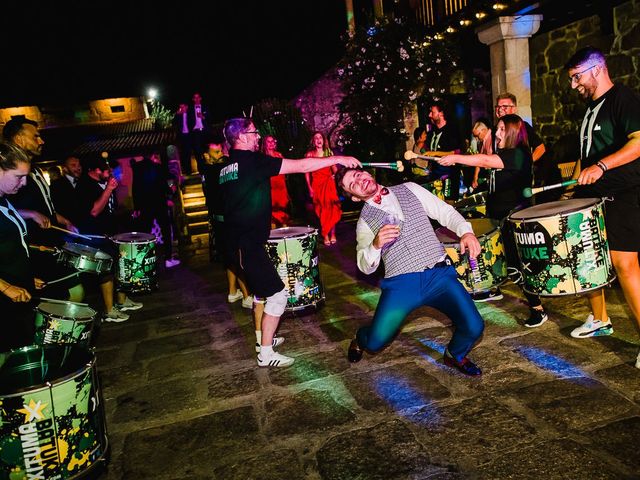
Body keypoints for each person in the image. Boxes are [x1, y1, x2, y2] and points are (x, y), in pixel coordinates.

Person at [219, 118, 361, 368]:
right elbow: (300, 165)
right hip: (247, 244)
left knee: (262, 293)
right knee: (277, 296)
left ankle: (263, 338)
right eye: (253, 133)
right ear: (241, 137)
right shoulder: (253, 161)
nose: (258, 137)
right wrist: (337, 159)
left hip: (234, 242)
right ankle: (265, 353)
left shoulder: (226, 167)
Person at [334, 167, 484, 376]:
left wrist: (466, 232)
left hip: (438, 274)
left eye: (359, 175)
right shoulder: (364, 223)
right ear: (355, 198)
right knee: (376, 342)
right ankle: (361, 337)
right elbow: (364, 266)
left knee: (474, 326)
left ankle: (455, 355)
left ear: (369, 174)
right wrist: (375, 245)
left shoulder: (410, 188)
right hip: (402, 284)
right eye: (353, 184)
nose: (359, 181)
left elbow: (445, 212)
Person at [564, 46, 640, 367]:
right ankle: (600, 319)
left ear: (597, 69)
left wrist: (603, 167)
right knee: (590, 261)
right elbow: (586, 158)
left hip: (623, 194)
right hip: (593, 197)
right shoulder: (589, 109)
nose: (574, 85)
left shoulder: (624, 99)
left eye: (577, 77)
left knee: (624, 265)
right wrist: (573, 186)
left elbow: (638, 142)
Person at [438, 114, 548, 326]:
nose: (496, 133)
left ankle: (538, 309)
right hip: (500, 216)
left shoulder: (519, 154)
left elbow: (485, 160)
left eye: (501, 129)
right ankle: (494, 288)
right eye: (496, 129)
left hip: (514, 217)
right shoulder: (505, 153)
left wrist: (456, 158)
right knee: (504, 261)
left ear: (513, 132)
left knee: (518, 266)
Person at [3, 118, 83, 302]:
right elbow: (5, 210)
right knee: (68, 295)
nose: (41, 141)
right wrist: (30, 214)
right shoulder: (8, 174)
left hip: (48, 243)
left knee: (67, 295)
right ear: (19, 139)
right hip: (31, 248)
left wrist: (64, 221)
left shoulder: (36, 171)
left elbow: (46, 207)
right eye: (36, 136)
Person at [76, 155, 143, 322]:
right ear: (94, 170)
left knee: (121, 266)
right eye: (106, 170)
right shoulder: (84, 186)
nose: (110, 172)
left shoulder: (104, 183)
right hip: (95, 236)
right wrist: (108, 190)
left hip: (110, 233)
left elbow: (111, 210)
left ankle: (121, 301)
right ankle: (109, 311)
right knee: (106, 272)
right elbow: (94, 211)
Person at [0, 142, 44, 352]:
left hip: (18, 292)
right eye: (19, 176)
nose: (25, 182)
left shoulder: (4, 200)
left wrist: (24, 277)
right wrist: (6, 287)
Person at [200, 141, 252, 308]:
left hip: (218, 219)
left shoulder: (207, 170)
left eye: (221, 150)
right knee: (237, 257)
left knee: (229, 258)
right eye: (216, 152)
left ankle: (232, 292)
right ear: (206, 156)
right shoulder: (213, 169)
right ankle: (246, 296)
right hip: (225, 220)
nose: (220, 154)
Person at [131, 151, 180, 268]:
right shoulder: (158, 167)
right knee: (166, 231)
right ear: (153, 157)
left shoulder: (137, 168)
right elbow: (165, 184)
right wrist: (170, 191)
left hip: (145, 205)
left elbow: (135, 189)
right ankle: (168, 258)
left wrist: (137, 207)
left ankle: (143, 260)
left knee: (145, 232)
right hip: (159, 203)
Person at [305, 132, 342, 246]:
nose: (318, 140)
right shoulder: (309, 155)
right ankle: (325, 235)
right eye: (316, 138)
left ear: (323, 140)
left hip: (329, 184)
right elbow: (306, 172)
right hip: (317, 185)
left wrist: (336, 176)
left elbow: (335, 168)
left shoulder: (328, 152)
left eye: (320, 137)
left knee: (332, 209)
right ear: (313, 141)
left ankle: (333, 234)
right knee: (322, 210)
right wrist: (310, 188)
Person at [424, 101, 462, 200]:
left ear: (441, 113)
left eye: (432, 112)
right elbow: (428, 149)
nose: (429, 115)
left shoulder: (452, 130)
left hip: (449, 175)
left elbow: (456, 152)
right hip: (435, 175)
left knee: (449, 204)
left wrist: (435, 153)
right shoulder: (432, 132)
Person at [261, 135, 290, 228]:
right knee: (272, 207)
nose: (271, 143)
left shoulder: (279, 155)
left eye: (273, 141)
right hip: (270, 185)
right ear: (265, 144)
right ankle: (273, 230)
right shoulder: (263, 157)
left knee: (283, 205)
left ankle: (284, 227)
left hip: (281, 185)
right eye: (268, 142)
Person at [51, 155, 83, 226]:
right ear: (65, 169)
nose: (78, 168)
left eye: (79, 165)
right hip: (68, 228)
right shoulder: (56, 185)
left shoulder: (85, 182)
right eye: (73, 165)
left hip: (86, 226)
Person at [470, 118, 493, 191]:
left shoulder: (492, 138)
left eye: (477, 135)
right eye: (474, 137)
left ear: (483, 130)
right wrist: (475, 177)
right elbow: (480, 159)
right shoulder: (484, 141)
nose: (476, 139)